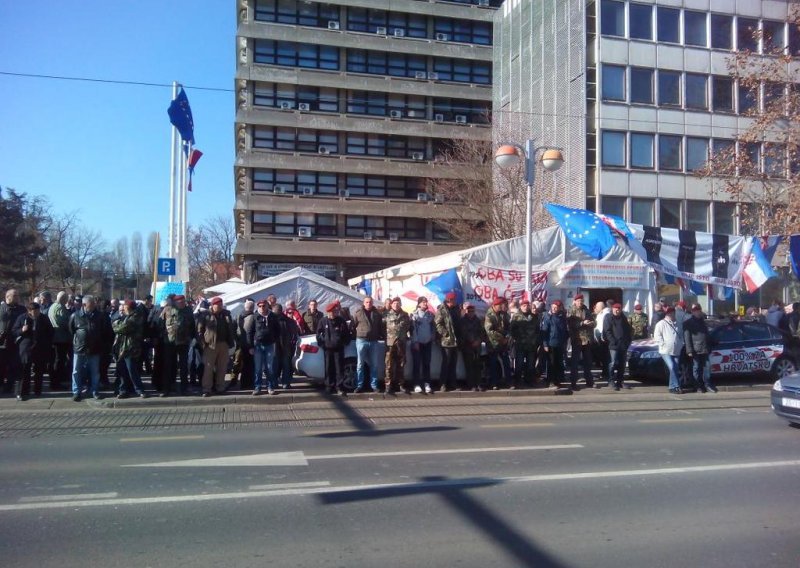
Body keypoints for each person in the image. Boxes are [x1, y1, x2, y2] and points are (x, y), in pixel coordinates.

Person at [69, 295, 113, 401]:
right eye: (91, 304)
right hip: (80, 348)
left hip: (95, 348)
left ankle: (95, 391)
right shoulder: (75, 316)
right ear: (84, 305)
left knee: (95, 371)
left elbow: (104, 331)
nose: (94, 306)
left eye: (94, 303)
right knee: (76, 371)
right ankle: (76, 392)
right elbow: (71, 330)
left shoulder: (99, 316)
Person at [12, 302, 53, 400]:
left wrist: (46, 343)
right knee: (24, 369)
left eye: (39, 311)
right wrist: (22, 330)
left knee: (39, 370)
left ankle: (37, 390)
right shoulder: (22, 318)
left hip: (40, 347)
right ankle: (22, 392)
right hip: (26, 347)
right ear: (29, 311)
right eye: (35, 311)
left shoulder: (43, 318)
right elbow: (14, 331)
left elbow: (50, 331)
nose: (38, 313)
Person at [196, 297, 236, 397]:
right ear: (213, 305)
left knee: (222, 367)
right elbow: (199, 330)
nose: (220, 307)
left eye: (221, 305)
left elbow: (231, 328)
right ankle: (206, 389)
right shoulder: (206, 315)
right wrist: (203, 344)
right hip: (210, 345)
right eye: (218, 305)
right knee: (208, 368)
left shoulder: (226, 314)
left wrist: (231, 342)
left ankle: (220, 387)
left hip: (223, 344)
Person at [162, 294, 196, 396]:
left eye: (183, 302)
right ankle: (167, 388)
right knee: (169, 366)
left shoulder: (188, 310)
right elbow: (160, 323)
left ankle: (184, 388)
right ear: (175, 302)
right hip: (170, 342)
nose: (182, 304)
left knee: (184, 366)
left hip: (183, 342)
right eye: (179, 302)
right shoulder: (167, 310)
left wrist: (192, 338)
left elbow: (192, 325)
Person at [113, 300, 148, 399]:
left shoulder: (135, 317)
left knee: (131, 369)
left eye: (124, 307)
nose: (123, 309)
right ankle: (123, 390)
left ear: (128, 308)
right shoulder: (128, 316)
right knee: (123, 370)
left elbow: (121, 328)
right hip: (123, 347)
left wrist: (115, 323)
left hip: (131, 347)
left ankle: (139, 389)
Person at [316, 302, 351, 395]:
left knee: (339, 369)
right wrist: (322, 344)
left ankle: (339, 387)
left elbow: (346, 334)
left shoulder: (341, 320)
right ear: (329, 312)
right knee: (328, 368)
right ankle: (329, 387)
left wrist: (344, 343)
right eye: (334, 311)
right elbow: (318, 334)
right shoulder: (323, 321)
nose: (336, 312)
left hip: (338, 349)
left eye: (336, 311)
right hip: (327, 349)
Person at [351, 296, 383, 393]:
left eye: (370, 302)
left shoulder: (377, 314)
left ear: (372, 303)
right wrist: (356, 335)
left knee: (374, 364)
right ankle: (359, 385)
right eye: (367, 302)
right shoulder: (358, 313)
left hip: (373, 341)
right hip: (361, 340)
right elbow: (352, 326)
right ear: (363, 303)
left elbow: (380, 326)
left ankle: (374, 385)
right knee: (360, 364)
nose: (368, 304)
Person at [683, 304, 717, 393]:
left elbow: (707, 335)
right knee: (696, 368)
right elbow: (687, 337)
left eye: (698, 310)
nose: (697, 312)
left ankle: (707, 384)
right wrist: (689, 350)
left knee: (707, 368)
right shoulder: (688, 323)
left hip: (705, 348)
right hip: (695, 349)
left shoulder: (703, 322)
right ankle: (697, 385)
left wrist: (713, 342)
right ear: (692, 312)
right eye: (695, 310)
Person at [249, 299, 280, 395]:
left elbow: (278, 330)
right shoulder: (254, 317)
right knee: (258, 368)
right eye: (260, 306)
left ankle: (270, 387)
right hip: (258, 345)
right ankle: (257, 387)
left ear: (267, 306)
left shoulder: (273, 316)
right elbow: (250, 332)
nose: (262, 308)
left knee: (269, 367)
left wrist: (274, 340)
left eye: (264, 306)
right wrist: (251, 346)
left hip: (270, 345)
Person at [0, 289, 27, 394]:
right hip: (2, 342)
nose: (17, 298)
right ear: (8, 296)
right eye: (15, 296)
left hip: (15, 341)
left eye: (18, 295)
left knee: (13, 365)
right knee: (1, 365)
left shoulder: (21, 309)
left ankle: (9, 386)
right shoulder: (1, 308)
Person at [383, 297, 411, 394]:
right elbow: (381, 327)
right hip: (390, 343)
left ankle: (401, 385)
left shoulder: (405, 315)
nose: (396, 305)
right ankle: (388, 385)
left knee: (401, 364)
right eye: (394, 303)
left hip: (401, 343)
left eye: (398, 303)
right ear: (391, 305)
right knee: (389, 365)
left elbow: (408, 326)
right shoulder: (386, 314)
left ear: (400, 304)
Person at [510, 299, 540, 388]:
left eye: (527, 306)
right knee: (519, 364)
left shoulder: (533, 316)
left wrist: (536, 341)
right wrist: (516, 339)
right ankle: (517, 381)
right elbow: (512, 330)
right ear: (521, 306)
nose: (526, 307)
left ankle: (529, 380)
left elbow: (537, 330)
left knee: (530, 365)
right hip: (520, 345)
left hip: (531, 345)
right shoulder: (516, 316)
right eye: (524, 306)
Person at [566, 294, 594, 390]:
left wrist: (592, 323)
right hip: (577, 339)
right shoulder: (571, 311)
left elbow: (593, 321)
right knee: (575, 362)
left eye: (581, 301)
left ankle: (589, 381)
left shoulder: (586, 310)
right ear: (575, 301)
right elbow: (571, 324)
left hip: (587, 339)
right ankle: (573, 382)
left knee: (588, 362)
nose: (580, 303)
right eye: (578, 301)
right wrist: (582, 323)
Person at [653, 307, 684, 394]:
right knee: (672, 366)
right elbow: (657, 336)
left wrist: (681, 343)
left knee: (675, 368)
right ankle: (676, 386)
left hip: (676, 350)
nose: (671, 314)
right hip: (665, 351)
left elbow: (681, 335)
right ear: (666, 314)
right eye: (669, 313)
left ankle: (672, 386)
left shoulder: (678, 323)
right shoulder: (661, 324)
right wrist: (663, 344)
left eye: (672, 313)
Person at [435, 292, 461, 392]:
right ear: (449, 300)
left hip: (456, 340)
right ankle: (443, 384)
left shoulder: (456, 309)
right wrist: (446, 333)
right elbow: (438, 324)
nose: (455, 301)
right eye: (453, 300)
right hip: (446, 341)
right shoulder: (441, 310)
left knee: (453, 363)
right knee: (446, 362)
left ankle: (453, 383)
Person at [540, 299, 569, 387]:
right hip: (550, 343)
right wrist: (545, 344)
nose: (554, 309)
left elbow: (565, 331)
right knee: (551, 363)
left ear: (560, 308)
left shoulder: (562, 317)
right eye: (553, 307)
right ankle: (551, 381)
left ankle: (557, 380)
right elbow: (544, 332)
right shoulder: (548, 317)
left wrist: (565, 341)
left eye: (556, 307)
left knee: (558, 363)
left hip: (560, 344)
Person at [603, 303, 632, 390]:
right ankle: (611, 381)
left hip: (623, 344)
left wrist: (628, 341)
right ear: (612, 309)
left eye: (619, 309)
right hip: (614, 345)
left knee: (622, 364)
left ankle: (620, 381)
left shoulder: (623, 317)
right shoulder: (608, 317)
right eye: (615, 309)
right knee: (612, 363)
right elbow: (607, 331)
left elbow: (628, 330)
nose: (617, 310)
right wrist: (613, 341)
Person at [484, 297, 512, 390]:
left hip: (503, 343)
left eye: (502, 305)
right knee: (493, 364)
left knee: (506, 362)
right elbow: (489, 330)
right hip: (493, 344)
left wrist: (507, 337)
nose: (502, 307)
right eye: (500, 305)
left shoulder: (504, 314)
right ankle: (494, 383)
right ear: (495, 305)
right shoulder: (489, 315)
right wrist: (501, 338)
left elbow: (508, 327)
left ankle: (509, 382)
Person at [48, 291, 73, 391]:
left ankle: (56, 382)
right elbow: (63, 322)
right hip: (60, 339)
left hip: (57, 338)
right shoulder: (59, 308)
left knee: (58, 361)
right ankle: (56, 383)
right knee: (59, 361)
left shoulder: (53, 307)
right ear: (64, 299)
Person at [458, 302, 486, 391]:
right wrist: (471, 341)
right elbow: (463, 333)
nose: (470, 312)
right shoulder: (462, 321)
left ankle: (478, 383)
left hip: (477, 346)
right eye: (469, 311)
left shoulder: (477, 320)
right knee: (469, 366)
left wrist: (478, 341)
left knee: (477, 366)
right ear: (466, 311)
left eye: (472, 311)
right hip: (467, 346)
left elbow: (482, 332)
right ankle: (471, 385)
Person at [410, 296, 435, 394]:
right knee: (417, 364)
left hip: (427, 343)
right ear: (419, 303)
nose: (425, 304)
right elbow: (412, 330)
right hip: (417, 343)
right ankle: (416, 384)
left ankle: (427, 383)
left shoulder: (430, 315)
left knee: (427, 363)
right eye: (423, 302)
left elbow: (433, 327)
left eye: (426, 302)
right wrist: (415, 341)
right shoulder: (414, 315)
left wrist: (432, 336)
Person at [273, 304, 300, 389]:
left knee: (284, 365)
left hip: (284, 346)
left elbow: (294, 333)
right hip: (277, 346)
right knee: (278, 365)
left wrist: (292, 343)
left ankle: (284, 383)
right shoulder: (271, 320)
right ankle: (279, 383)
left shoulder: (288, 321)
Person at [231, 299, 256, 390]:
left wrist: (236, 340)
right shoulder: (253, 317)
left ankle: (234, 380)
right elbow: (251, 332)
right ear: (252, 308)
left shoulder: (238, 315)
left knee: (237, 362)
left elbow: (233, 329)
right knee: (248, 364)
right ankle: (247, 383)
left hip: (240, 343)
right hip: (248, 344)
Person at [592, 300, 611, 388]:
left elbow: (604, 326)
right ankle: (605, 373)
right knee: (604, 358)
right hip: (600, 338)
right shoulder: (601, 313)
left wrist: (603, 337)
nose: (595, 308)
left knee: (606, 358)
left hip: (603, 339)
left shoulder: (605, 314)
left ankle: (607, 374)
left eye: (597, 306)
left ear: (601, 307)